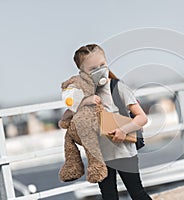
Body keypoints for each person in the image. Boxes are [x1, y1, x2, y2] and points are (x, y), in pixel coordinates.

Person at [72, 44, 152, 200]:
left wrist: (124, 130)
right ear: (82, 73)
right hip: (100, 156)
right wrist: (85, 101)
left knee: (137, 193)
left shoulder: (118, 87)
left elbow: (142, 117)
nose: (100, 70)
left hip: (124, 153)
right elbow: (70, 117)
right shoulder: (82, 94)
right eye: (93, 69)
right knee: (109, 196)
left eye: (102, 65)